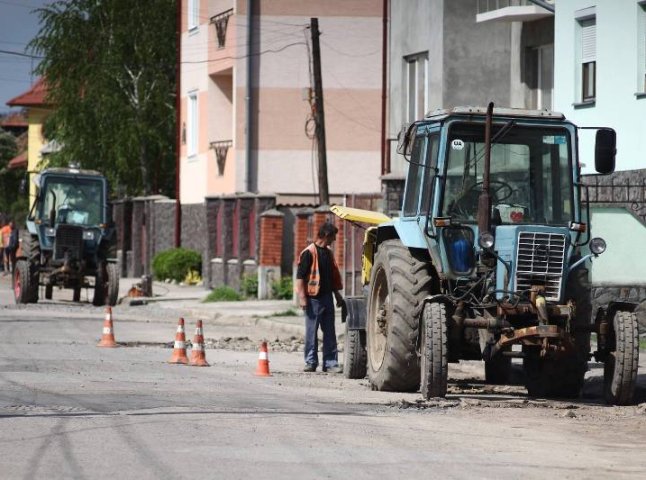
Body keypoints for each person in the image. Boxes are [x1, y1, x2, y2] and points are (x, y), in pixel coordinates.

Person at [295, 222, 345, 373]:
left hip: (327, 298)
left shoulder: (328, 253)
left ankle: (330, 364)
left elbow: (332, 278)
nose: (334, 240)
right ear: (326, 235)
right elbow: (300, 277)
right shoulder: (309, 252)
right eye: (333, 237)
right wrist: (302, 298)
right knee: (312, 332)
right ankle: (311, 362)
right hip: (313, 299)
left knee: (330, 332)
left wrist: (337, 296)